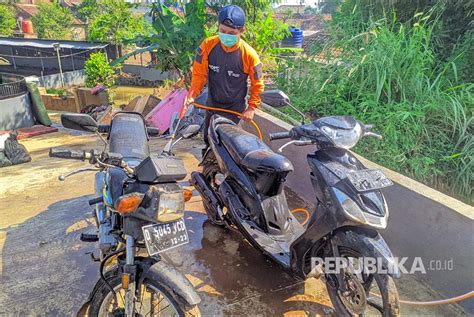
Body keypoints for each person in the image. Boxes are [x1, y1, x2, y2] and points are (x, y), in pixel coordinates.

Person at [181, 4, 264, 143]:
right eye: (222, 31)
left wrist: (251, 108)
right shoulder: (207, 46)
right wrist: (192, 95)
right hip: (212, 106)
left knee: (230, 147)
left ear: (242, 31)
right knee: (208, 143)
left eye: (231, 33)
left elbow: (258, 84)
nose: (226, 36)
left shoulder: (249, 55)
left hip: (235, 111)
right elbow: (199, 75)